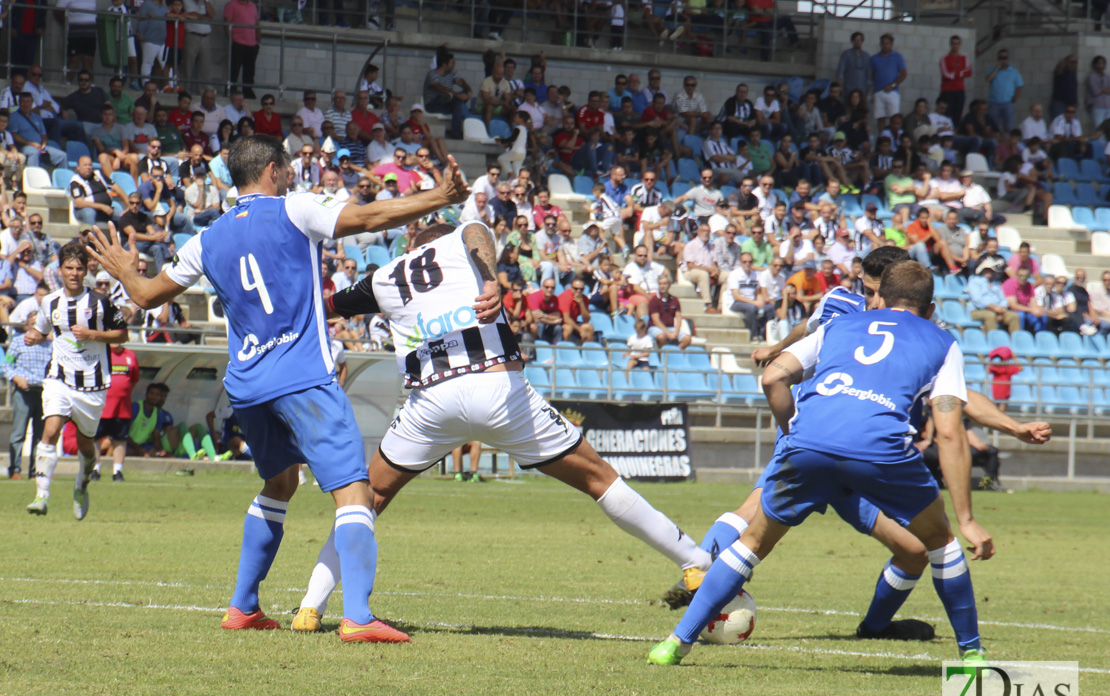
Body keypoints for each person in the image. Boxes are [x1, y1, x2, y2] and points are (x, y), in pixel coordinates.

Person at [88, 135, 473, 640]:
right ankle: (358, 616)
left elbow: (144, 295)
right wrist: (440, 198)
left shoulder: (206, 238)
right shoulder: (296, 209)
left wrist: (124, 271)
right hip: (303, 377)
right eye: (288, 169)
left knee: (280, 484)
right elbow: (369, 219)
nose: (291, 175)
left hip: (247, 384)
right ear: (274, 170)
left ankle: (243, 606)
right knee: (355, 492)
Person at [290, 221, 713, 630]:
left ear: (413, 247)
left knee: (367, 498)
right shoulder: (463, 244)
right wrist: (490, 279)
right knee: (599, 479)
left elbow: (323, 307)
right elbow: (476, 229)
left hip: (431, 400)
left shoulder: (384, 276)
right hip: (496, 386)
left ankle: (310, 607)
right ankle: (695, 563)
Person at [649, 259, 995, 666]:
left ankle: (675, 643)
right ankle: (971, 653)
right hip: (879, 451)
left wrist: (794, 433)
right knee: (940, 540)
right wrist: (968, 517)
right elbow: (951, 432)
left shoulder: (838, 325)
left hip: (810, 445)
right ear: (931, 309)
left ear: (879, 298)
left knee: (753, 541)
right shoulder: (942, 342)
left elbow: (773, 377)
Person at [23, 242, 129, 519]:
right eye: (68, 268)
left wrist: (94, 335)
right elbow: (42, 329)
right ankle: (41, 495)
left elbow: (123, 334)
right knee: (51, 429)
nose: (73, 273)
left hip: (92, 383)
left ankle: (82, 483)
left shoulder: (101, 302)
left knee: (86, 444)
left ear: (85, 271)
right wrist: (34, 336)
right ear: (59, 271)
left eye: (78, 268)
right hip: (58, 377)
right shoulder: (50, 302)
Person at [4, 308, 51, 481]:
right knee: (19, 432)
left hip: (43, 393)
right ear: (26, 326)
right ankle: (15, 468)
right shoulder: (17, 343)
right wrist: (17, 378)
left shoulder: (49, 345)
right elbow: (6, 365)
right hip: (24, 392)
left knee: (40, 435)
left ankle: (35, 470)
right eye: (32, 325)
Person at [91, 342, 140, 482]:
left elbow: (134, 379)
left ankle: (117, 471)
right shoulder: (99, 353)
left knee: (120, 440)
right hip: (101, 406)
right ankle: (94, 469)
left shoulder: (130, 355)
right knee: (95, 439)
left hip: (122, 408)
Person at [968, 261, 1020, 333]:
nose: (989, 272)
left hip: (998, 310)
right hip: (978, 311)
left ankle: (1015, 341)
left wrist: (1001, 309)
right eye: (987, 269)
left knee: (1014, 316)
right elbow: (977, 299)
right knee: (990, 315)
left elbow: (1003, 299)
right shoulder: (975, 281)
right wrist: (993, 308)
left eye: (991, 270)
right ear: (982, 270)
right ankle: (993, 341)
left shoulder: (996, 283)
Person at [869, 34, 907, 132]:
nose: (885, 46)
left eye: (887, 44)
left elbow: (903, 74)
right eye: (883, 44)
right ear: (880, 44)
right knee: (880, 118)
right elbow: (871, 77)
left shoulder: (897, 57)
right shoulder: (874, 59)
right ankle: (882, 139)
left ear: (891, 44)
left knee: (894, 119)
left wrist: (893, 85)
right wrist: (871, 93)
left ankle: (893, 140)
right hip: (878, 92)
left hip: (892, 92)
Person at [224, 0, 260, 99]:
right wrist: (230, 41)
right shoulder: (231, 4)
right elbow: (227, 24)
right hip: (238, 43)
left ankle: (247, 91)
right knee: (234, 69)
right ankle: (230, 91)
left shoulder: (253, 6)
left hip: (252, 44)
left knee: (250, 71)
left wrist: (258, 40)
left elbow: (257, 23)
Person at [985, 49, 1022, 134]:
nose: (1003, 60)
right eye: (1000, 57)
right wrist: (997, 68)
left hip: (1008, 103)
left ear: (1008, 58)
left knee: (1008, 126)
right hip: (994, 103)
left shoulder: (1014, 71)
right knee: (993, 126)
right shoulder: (992, 69)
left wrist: (1015, 97)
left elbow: (1019, 86)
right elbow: (988, 79)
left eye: (1005, 57)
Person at [939, 35, 971, 124]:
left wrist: (955, 73)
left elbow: (969, 72)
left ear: (960, 45)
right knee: (945, 115)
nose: (955, 46)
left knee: (957, 116)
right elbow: (945, 75)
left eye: (957, 44)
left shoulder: (964, 58)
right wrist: (960, 73)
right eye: (953, 44)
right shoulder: (944, 59)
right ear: (950, 45)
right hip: (947, 91)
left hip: (959, 91)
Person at [836, 32, 871, 100]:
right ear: (852, 41)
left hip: (862, 88)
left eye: (859, 40)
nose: (857, 42)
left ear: (862, 41)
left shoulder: (866, 56)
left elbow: (869, 72)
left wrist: (869, 86)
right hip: (849, 87)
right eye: (856, 40)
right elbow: (840, 70)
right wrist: (839, 86)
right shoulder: (846, 54)